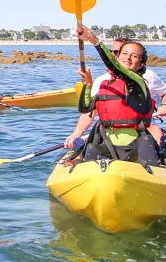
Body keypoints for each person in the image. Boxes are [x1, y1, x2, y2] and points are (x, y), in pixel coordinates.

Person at [64, 25, 159, 166]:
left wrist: (93, 39)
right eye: (124, 54)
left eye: (134, 56)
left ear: (140, 64)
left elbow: (116, 67)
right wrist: (88, 84)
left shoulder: (138, 82)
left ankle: (152, 175)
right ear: (118, 57)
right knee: (91, 148)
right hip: (109, 145)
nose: (128, 58)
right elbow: (85, 108)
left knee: (146, 141)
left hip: (136, 146)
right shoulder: (105, 84)